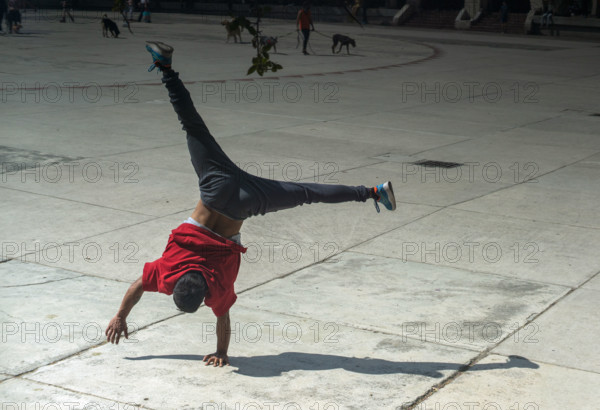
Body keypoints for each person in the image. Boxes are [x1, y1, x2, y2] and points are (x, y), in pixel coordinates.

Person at [105, 41, 397, 367]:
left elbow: (223, 319)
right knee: (191, 125)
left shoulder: (215, 288)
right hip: (215, 187)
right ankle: (166, 67)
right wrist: (118, 316)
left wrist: (222, 352)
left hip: (243, 205)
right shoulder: (168, 271)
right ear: (177, 285)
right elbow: (139, 285)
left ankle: (374, 191)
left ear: (202, 297)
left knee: (305, 193)